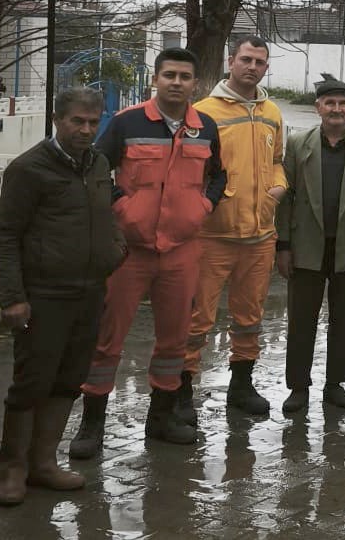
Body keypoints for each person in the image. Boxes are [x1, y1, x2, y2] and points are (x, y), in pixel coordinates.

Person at [69, 48, 225, 458]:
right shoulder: (128, 122)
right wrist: (122, 207)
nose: (177, 82)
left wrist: (203, 207)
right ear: (156, 79)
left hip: (181, 250)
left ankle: (161, 419)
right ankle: (92, 424)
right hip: (128, 251)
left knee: (175, 339)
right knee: (107, 339)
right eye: (169, 74)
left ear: (195, 84)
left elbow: (219, 176)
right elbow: (95, 169)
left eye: (185, 76)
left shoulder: (205, 127)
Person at [0, 88, 126, 505]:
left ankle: (43, 463)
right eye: (77, 121)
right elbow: (6, 235)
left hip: (90, 292)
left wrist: (115, 250)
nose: (86, 130)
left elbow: (104, 214)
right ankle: (12, 470)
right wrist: (13, 297)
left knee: (69, 380)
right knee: (32, 382)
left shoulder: (99, 163)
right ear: (57, 120)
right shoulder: (28, 169)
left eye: (93, 122)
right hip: (44, 295)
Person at [182, 35, 287, 419]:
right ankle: (181, 390)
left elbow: (277, 160)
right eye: (246, 59)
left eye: (259, 62)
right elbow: (190, 171)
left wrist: (279, 187)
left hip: (259, 237)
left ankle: (241, 385)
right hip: (213, 237)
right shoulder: (202, 113)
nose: (252, 67)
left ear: (266, 67)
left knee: (250, 318)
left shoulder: (272, 112)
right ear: (231, 61)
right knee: (197, 320)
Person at [276, 77, 345, 414]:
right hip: (306, 245)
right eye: (330, 103)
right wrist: (283, 245)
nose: (337, 109)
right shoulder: (298, 144)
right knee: (301, 319)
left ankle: (336, 384)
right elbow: (287, 197)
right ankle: (298, 387)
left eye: (343, 103)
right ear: (318, 107)